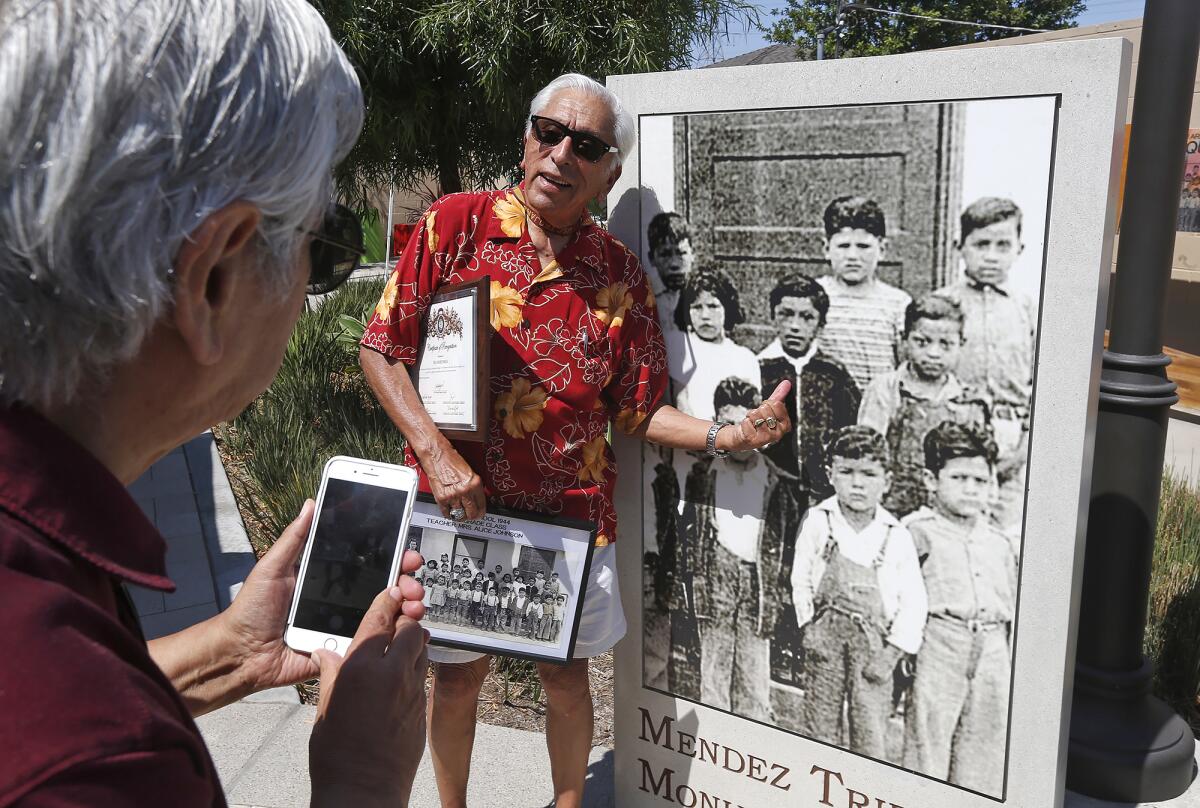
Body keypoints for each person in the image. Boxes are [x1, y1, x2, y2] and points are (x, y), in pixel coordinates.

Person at [0, 1, 430, 805]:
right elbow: (77, 731)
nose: (316, 278)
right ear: (214, 280)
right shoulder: (101, 765)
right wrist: (364, 781)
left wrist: (226, 655)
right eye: (326, 248)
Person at [359, 72, 791, 808]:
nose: (560, 153)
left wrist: (729, 434)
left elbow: (636, 409)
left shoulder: (616, 273)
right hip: (456, 510)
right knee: (457, 678)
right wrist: (434, 451)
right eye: (548, 131)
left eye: (585, 145)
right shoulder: (454, 226)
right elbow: (380, 347)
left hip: (569, 524)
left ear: (608, 172)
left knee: (565, 678)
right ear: (527, 138)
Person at [790, 426, 927, 760]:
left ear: (887, 480)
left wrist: (892, 654)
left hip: (874, 646)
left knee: (870, 731)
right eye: (847, 472)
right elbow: (801, 578)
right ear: (830, 474)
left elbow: (913, 603)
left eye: (869, 474)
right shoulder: (819, 521)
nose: (857, 483)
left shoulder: (896, 534)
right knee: (819, 725)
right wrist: (808, 628)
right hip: (826, 640)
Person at [757, 273, 861, 687]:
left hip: (819, 495)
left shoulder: (834, 375)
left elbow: (848, 430)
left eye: (806, 316)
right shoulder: (761, 368)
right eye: (787, 314)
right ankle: (778, 647)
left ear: (819, 323)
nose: (796, 324)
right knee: (776, 566)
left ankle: (810, 648)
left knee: (815, 567)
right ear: (774, 318)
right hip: (772, 492)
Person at [903, 422, 1017, 795]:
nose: (971, 489)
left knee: (984, 749)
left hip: (993, 650)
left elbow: (1012, 608)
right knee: (928, 742)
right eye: (959, 477)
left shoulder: (1000, 542)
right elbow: (901, 597)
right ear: (931, 479)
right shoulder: (916, 532)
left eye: (980, 481)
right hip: (941, 643)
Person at [933, 198, 1034, 531]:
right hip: (956, 431)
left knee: (1007, 537)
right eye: (981, 244)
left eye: (1003, 245)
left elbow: (1042, 382)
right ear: (960, 246)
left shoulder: (1028, 310)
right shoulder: (943, 304)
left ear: (1019, 248)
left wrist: (1024, 444)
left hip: (1013, 437)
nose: (991, 255)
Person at [680, 378, 774, 721]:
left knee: (754, 679)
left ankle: (756, 748)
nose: (739, 435)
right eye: (729, 424)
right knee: (714, 672)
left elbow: (779, 551)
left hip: (756, 586)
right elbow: (691, 539)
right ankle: (714, 738)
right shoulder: (702, 476)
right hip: (716, 578)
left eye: (747, 423)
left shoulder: (775, 481)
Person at [858, 296, 990, 518]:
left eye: (945, 344)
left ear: (961, 344)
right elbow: (867, 455)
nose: (933, 353)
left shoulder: (970, 402)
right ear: (904, 340)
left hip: (950, 515)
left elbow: (980, 469)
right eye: (922, 342)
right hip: (892, 510)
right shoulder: (886, 389)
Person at [816, 197, 912, 391]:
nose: (852, 256)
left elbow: (906, 367)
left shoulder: (898, 303)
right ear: (826, 249)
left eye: (863, 247)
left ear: (882, 249)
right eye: (843, 246)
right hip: (826, 405)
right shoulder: (814, 295)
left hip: (877, 409)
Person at [667, 266, 761, 421]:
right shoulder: (678, 347)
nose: (705, 315)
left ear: (727, 308)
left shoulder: (744, 358)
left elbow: (752, 412)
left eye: (713, 306)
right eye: (697, 307)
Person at [646, 212, 695, 333]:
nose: (674, 264)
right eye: (665, 255)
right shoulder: (644, 303)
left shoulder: (706, 301)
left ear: (692, 255)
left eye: (682, 253)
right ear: (652, 258)